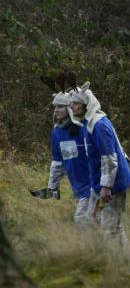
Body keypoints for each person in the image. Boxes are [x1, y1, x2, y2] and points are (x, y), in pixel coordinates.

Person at [70, 82, 130, 242]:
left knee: (110, 229)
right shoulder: (88, 123)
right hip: (99, 183)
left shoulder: (98, 125)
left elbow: (109, 157)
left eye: (76, 103)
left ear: (86, 105)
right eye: (71, 103)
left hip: (112, 185)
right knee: (89, 220)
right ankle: (120, 259)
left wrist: (106, 186)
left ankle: (118, 264)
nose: (72, 107)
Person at [47, 89, 91, 225]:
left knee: (81, 220)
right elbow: (58, 162)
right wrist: (53, 186)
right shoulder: (57, 132)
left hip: (92, 186)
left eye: (60, 106)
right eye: (55, 107)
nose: (56, 110)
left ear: (69, 108)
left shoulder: (86, 127)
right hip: (77, 187)